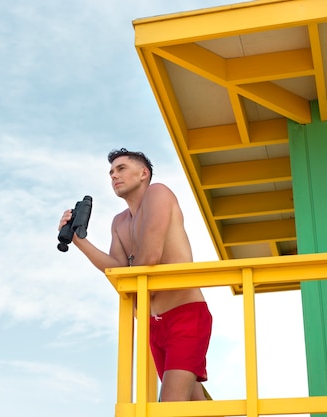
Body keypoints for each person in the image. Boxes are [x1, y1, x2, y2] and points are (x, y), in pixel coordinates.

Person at [58, 148, 212, 402]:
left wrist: (128, 278)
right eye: (111, 172)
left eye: (121, 169)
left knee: (169, 405)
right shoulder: (119, 222)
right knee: (194, 405)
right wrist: (78, 240)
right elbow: (116, 269)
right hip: (153, 325)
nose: (114, 176)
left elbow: (150, 257)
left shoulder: (158, 193)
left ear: (143, 173)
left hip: (185, 316)